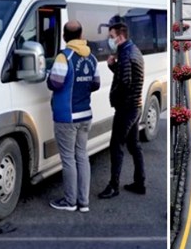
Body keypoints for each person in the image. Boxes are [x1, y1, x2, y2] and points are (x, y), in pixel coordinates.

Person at [47, 20, 100, 212]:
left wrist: (49, 76)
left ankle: (70, 202)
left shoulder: (64, 57)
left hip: (66, 117)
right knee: (82, 156)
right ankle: (83, 202)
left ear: (64, 36)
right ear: (81, 34)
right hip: (85, 114)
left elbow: (55, 83)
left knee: (68, 159)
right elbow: (95, 84)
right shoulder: (92, 58)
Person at [98, 21, 146, 199]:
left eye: (111, 37)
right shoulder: (134, 50)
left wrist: (116, 98)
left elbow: (125, 81)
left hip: (126, 108)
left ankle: (113, 186)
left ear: (120, 36)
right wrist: (113, 65)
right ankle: (139, 182)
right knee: (134, 145)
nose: (109, 40)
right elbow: (127, 75)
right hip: (136, 105)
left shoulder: (126, 53)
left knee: (116, 145)